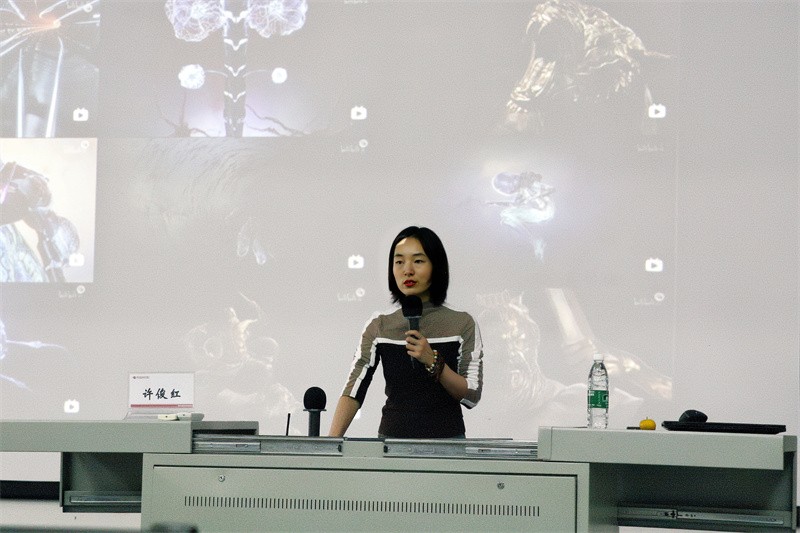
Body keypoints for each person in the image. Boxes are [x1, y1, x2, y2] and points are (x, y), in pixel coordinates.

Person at [328, 226, 484, 438]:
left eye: (418, 261)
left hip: (448, 446)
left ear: (436, 266)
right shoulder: (380, 324)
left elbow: (471, 396)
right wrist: (331, 444)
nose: (407, 270)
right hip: (392, 444)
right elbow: (354, 390)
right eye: (399, 262)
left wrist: (433, 361)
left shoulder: (462, 323)